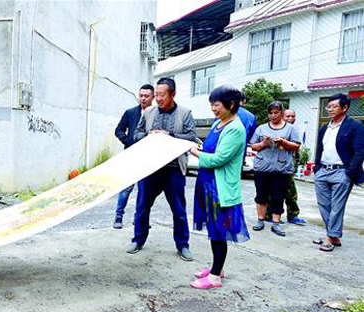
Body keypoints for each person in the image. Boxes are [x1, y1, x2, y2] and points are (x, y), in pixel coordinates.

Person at [127, 77, 198, 261]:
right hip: (150, 168)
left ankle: (183, 245)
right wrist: (148, 135)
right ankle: (138, 240)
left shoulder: (185, 113)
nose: (158, 98)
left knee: (179, 210)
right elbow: (136, 134)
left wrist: (170, 135)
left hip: (173, 169)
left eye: (162, 95)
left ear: (173, 94)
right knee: (142, 207)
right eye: (156, 94)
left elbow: (191, 137)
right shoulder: (149, 112)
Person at [189, 85, 249, 289]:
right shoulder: (219, 123)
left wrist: (194, 152)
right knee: (213, 230)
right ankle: (218, 267)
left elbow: (219, 159)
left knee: (218, 231)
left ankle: (214, 277)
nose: (213, 109)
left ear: (231, 105)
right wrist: (200, 149)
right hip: (207, 183)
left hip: (220, 187)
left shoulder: (235, 128)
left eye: (217, 104)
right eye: (212, 104)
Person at [313, 93, 364, 252]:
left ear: (345, 108)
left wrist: (349, 173)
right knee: (323, 204)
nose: (330, 109)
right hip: (323, 170)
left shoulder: (354, 126)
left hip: (342, 171)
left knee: (337, 207)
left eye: (334, 106)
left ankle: (330, 238)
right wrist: (317, 168)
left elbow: (360, 151)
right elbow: (319, 149)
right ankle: (334, 235)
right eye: (329, 106)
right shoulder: (324, 128)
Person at [250, 101, 301, 237]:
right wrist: (263, 143)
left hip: (282, 168)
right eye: (270, 113)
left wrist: (283, 142)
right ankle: (260, 220)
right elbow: (253, 145)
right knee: (261, 195)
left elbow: (296, 146)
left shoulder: (290, 129)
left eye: (276, 113)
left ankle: (276, 224)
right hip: (262, 167)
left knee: (278, 196)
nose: (273, 115)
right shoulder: (261, 128)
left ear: (281, 113)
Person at [113, 84, 155, 229]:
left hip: (149, 157)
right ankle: (118, 216)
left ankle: (140, 218)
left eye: (146, 96)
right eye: (141, 95)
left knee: (144, 190)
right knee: (126, 188)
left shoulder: (157, 114)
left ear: (153, 97)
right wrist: (128, 141)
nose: (143, 98)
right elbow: (118, 131)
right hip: (131, 155)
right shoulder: (130, 112)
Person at [265, 109, 307, 225]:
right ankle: (269, 215)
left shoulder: (293, 132)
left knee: (291, 193)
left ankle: (293, 215)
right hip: (275, 168)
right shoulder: (277, 131)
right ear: (282, 117)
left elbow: (296, 151)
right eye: (287, 116)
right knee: (272, 193)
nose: (290, 119)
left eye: (293, 116)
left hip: (288, 169)